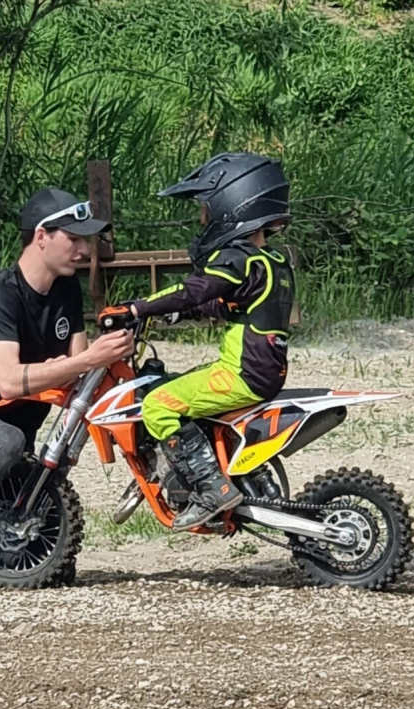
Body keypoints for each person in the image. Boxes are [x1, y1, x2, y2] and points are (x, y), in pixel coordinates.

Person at [0, 188, 135, 593]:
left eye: (86, 240)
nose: (84, 250)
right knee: (5, 439)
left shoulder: (66, 290)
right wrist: (84, 361)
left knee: (40, 560)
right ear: (41, 236)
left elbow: (76, 373)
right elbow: (9, 381)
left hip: (19, 446)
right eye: (74, 238)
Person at [130, 152, 296, 531]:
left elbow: (193, 290)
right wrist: (181, 314)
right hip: (261, 369)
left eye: (206, 210)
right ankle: (217, 473)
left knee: (157, 404)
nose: (203, 220)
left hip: (243, 373)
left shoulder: (239, 259)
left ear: (232, 205)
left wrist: (136, 308)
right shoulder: (269, 261)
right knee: (174, 386)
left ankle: (211, 488)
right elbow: (223, 303)